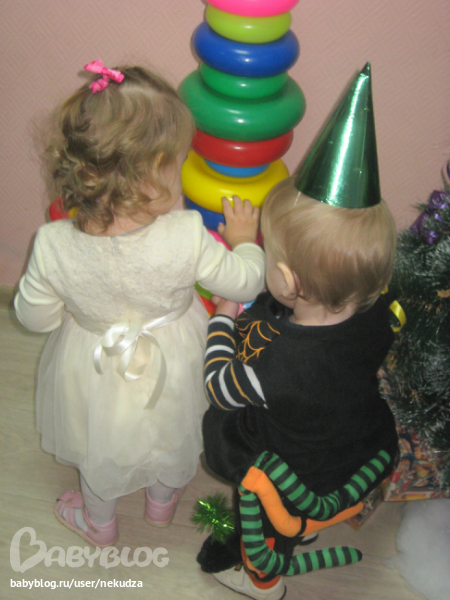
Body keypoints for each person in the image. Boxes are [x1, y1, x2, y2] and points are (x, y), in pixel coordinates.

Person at [14, 60, 265, 548]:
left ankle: (100, 524)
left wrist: (75, 307)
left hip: (92, 361)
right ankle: (160, 505)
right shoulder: (187, 235)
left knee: (98, 443)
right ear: (151, 174)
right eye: (177, 163)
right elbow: (246, 282)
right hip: (177, 352)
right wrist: (244, 241)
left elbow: (34, 317)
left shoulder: (52, 245)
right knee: (173, 428)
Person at [200, 63, 399, 600]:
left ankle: (262, 578)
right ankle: (302, 530)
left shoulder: (278, 365)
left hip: (293, 471)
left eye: (267, 253)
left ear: (287, 281)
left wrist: (223, 316)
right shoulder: (378, 309)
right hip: (355, 442)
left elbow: (219, 386)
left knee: (229, 439)